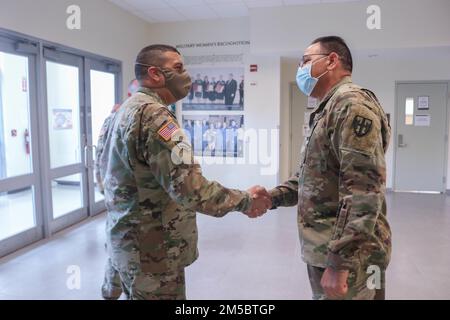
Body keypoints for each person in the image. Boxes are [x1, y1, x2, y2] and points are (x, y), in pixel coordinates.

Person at [98, 44, 271, 300]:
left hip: (123, 240)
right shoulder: (156, 118)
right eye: (178, 68)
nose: (186, 74)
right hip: (152, 253)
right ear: (156, 74)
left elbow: (102, 178)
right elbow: (192, 190)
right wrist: (246, 200)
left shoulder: (120, 112)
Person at [250, 36, 391, 300]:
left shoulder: (351, 106)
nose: (301, 69)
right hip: (326, 247)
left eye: (305, 61)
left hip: (350, 257)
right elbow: (313, 177)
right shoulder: (330, 108)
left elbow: (363, 192)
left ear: (332, 60)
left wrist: (340, 263)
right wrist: (272, 198)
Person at [95, 78, 139, 300]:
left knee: (116, 243)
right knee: (124, 246)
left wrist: (106, 190)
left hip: (116, 195)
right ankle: (115, 290)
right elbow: (102, 156)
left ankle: (110, 291)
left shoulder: (112, 118)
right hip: (126, 196)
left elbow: (99, 159)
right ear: (132, 96)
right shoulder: (122, 119)